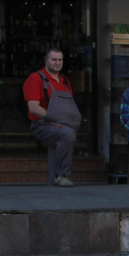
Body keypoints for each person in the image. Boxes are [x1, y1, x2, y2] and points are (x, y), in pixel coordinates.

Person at [23, 47, 80, 187]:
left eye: (60, 60)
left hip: (61, 124)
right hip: (42, 124)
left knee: (59, 147)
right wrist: (57, 118)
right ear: (46, 60)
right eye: (54, 59)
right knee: (67, 135)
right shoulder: (35, 78)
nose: (57, 62)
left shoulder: (65, 81)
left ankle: (53, 186)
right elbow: (33, 108)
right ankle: (62, 175)